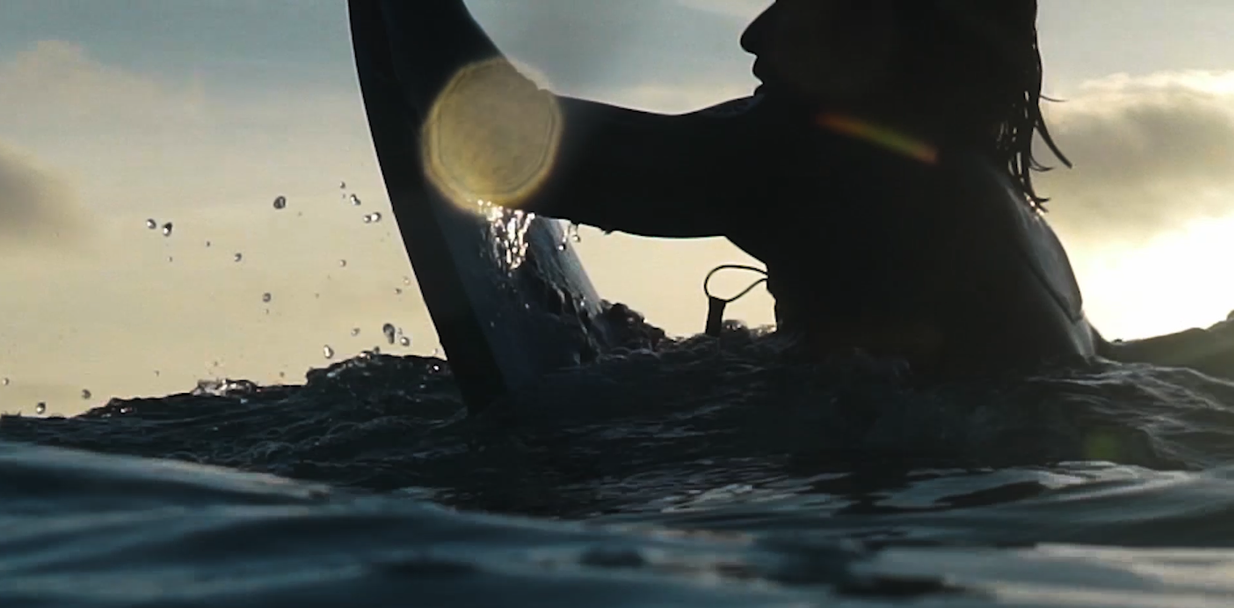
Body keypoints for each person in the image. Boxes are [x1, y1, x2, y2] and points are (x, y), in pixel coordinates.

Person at [373, 0, 1100, 371]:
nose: (754, 34)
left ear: (877, 27)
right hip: (990, 497)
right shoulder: (1007, 218)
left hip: (915, 476)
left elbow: (486, 137)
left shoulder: (825, 156)